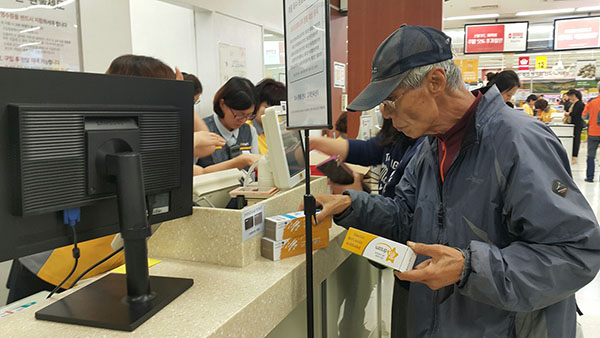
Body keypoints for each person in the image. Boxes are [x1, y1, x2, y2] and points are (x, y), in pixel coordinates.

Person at [308, 25, 600, 338]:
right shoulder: (431, 147)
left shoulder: (519, 142)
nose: (386, 114)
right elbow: (409, 217)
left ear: (435, 81)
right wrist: (352, 204)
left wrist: (469, 267)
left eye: (392, 99)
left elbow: (574, 252)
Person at [7, 54, 192, 303]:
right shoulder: (74, 137)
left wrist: (178, 100)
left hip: (105, 268)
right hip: (54, 268)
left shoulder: (146, 135)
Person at [312, 120, 424, 337]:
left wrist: (355, 199)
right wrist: (316, 141)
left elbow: (405, 214)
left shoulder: (424, 144)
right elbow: (365, 149)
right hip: (392, 234)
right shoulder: (399, 134)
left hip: (407, 244)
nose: (386, 110)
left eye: (392, 101)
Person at [196, 77, 261, 169]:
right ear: (222, 104)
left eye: (249, 115)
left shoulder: (250, 131)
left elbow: (254, 168)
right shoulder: (202, 130)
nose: (243, 120)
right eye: (239, 115)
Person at [248, 78, 286, 154]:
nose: (272, 113)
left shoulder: (279, 128)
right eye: (267, 107)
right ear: (256, 104)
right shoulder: (247, 129)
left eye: (277, 109)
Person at [583, 84, 600, 182]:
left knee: (591, 155)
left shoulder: (592, 102)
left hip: (593, 132)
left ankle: (590, 177)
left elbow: (584, 116)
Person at [565, 89, 585, 164]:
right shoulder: (572, 103)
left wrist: (568, 114)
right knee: (573, 140)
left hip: (577, 124)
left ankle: (574, 156)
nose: (569, 98)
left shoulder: (579, 104)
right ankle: (572, 154)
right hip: (572, 124)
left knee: (576, 139)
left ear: (574, 95)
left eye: (570, 96)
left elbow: (576, 114)